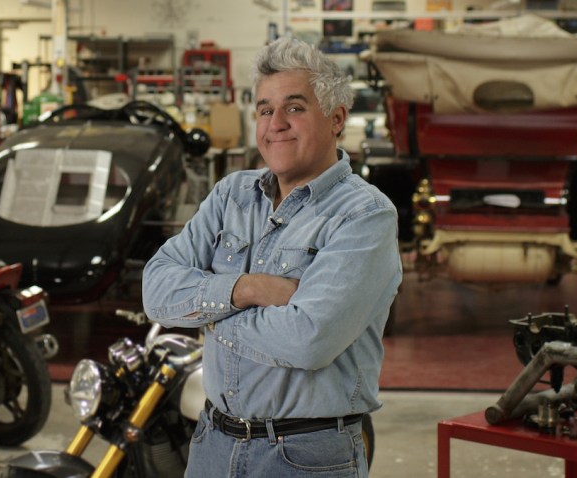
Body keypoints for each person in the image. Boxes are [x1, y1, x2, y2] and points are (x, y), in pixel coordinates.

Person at [142, 35, 402, 477]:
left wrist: (207, 316)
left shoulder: (365, 215)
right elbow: (155, 290)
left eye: (294, 108)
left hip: (305, 456)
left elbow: (308, 340)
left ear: (336, 118)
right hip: (211, 443)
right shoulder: (232, 195)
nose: (275, 124)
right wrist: (247, 288)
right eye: (265, 110)